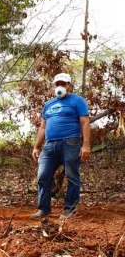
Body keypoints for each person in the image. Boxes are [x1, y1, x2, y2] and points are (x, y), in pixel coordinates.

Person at [30, 73, 91, 220]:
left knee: (72, 176)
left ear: (69, 85)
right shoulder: (48, 105)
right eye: (57, 84)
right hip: (50, 145)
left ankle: (70, 210)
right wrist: (36, 146)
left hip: (70, 143)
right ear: (53, 86)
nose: (60, 87)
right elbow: (43, 127)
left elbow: (85, 123)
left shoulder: (77, 101)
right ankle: (43, 209)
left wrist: (86, 145)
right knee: (43, 176)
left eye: (63, 84)